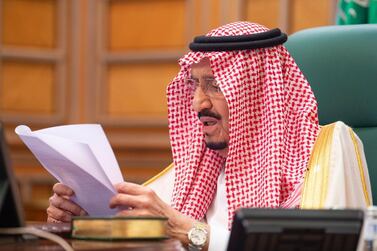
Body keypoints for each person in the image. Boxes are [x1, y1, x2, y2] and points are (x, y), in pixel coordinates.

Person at [46, 22, 372, 251]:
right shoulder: (193, 168)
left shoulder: (327, 152)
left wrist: (194, 234)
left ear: (258, 91)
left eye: (215, 85)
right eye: (195, 85)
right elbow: (142, 228)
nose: (198, 103)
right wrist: (84, 222)